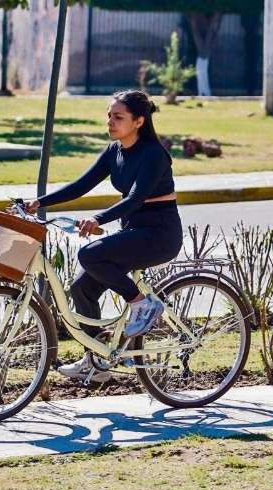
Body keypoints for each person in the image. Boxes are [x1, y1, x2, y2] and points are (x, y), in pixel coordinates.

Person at [25, 89, 183, 384]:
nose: (110, 122)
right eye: (109, 116)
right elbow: (81, 184)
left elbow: (136, 199)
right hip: (133, 232)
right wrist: (40, 202)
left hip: (159, 235)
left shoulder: (154, 154)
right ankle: (97, 361)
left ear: (138, 121)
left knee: (90, 254)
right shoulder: (114, 151)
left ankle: (142, 303)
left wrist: (99, 218)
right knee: (82, 289)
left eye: (118, 117)